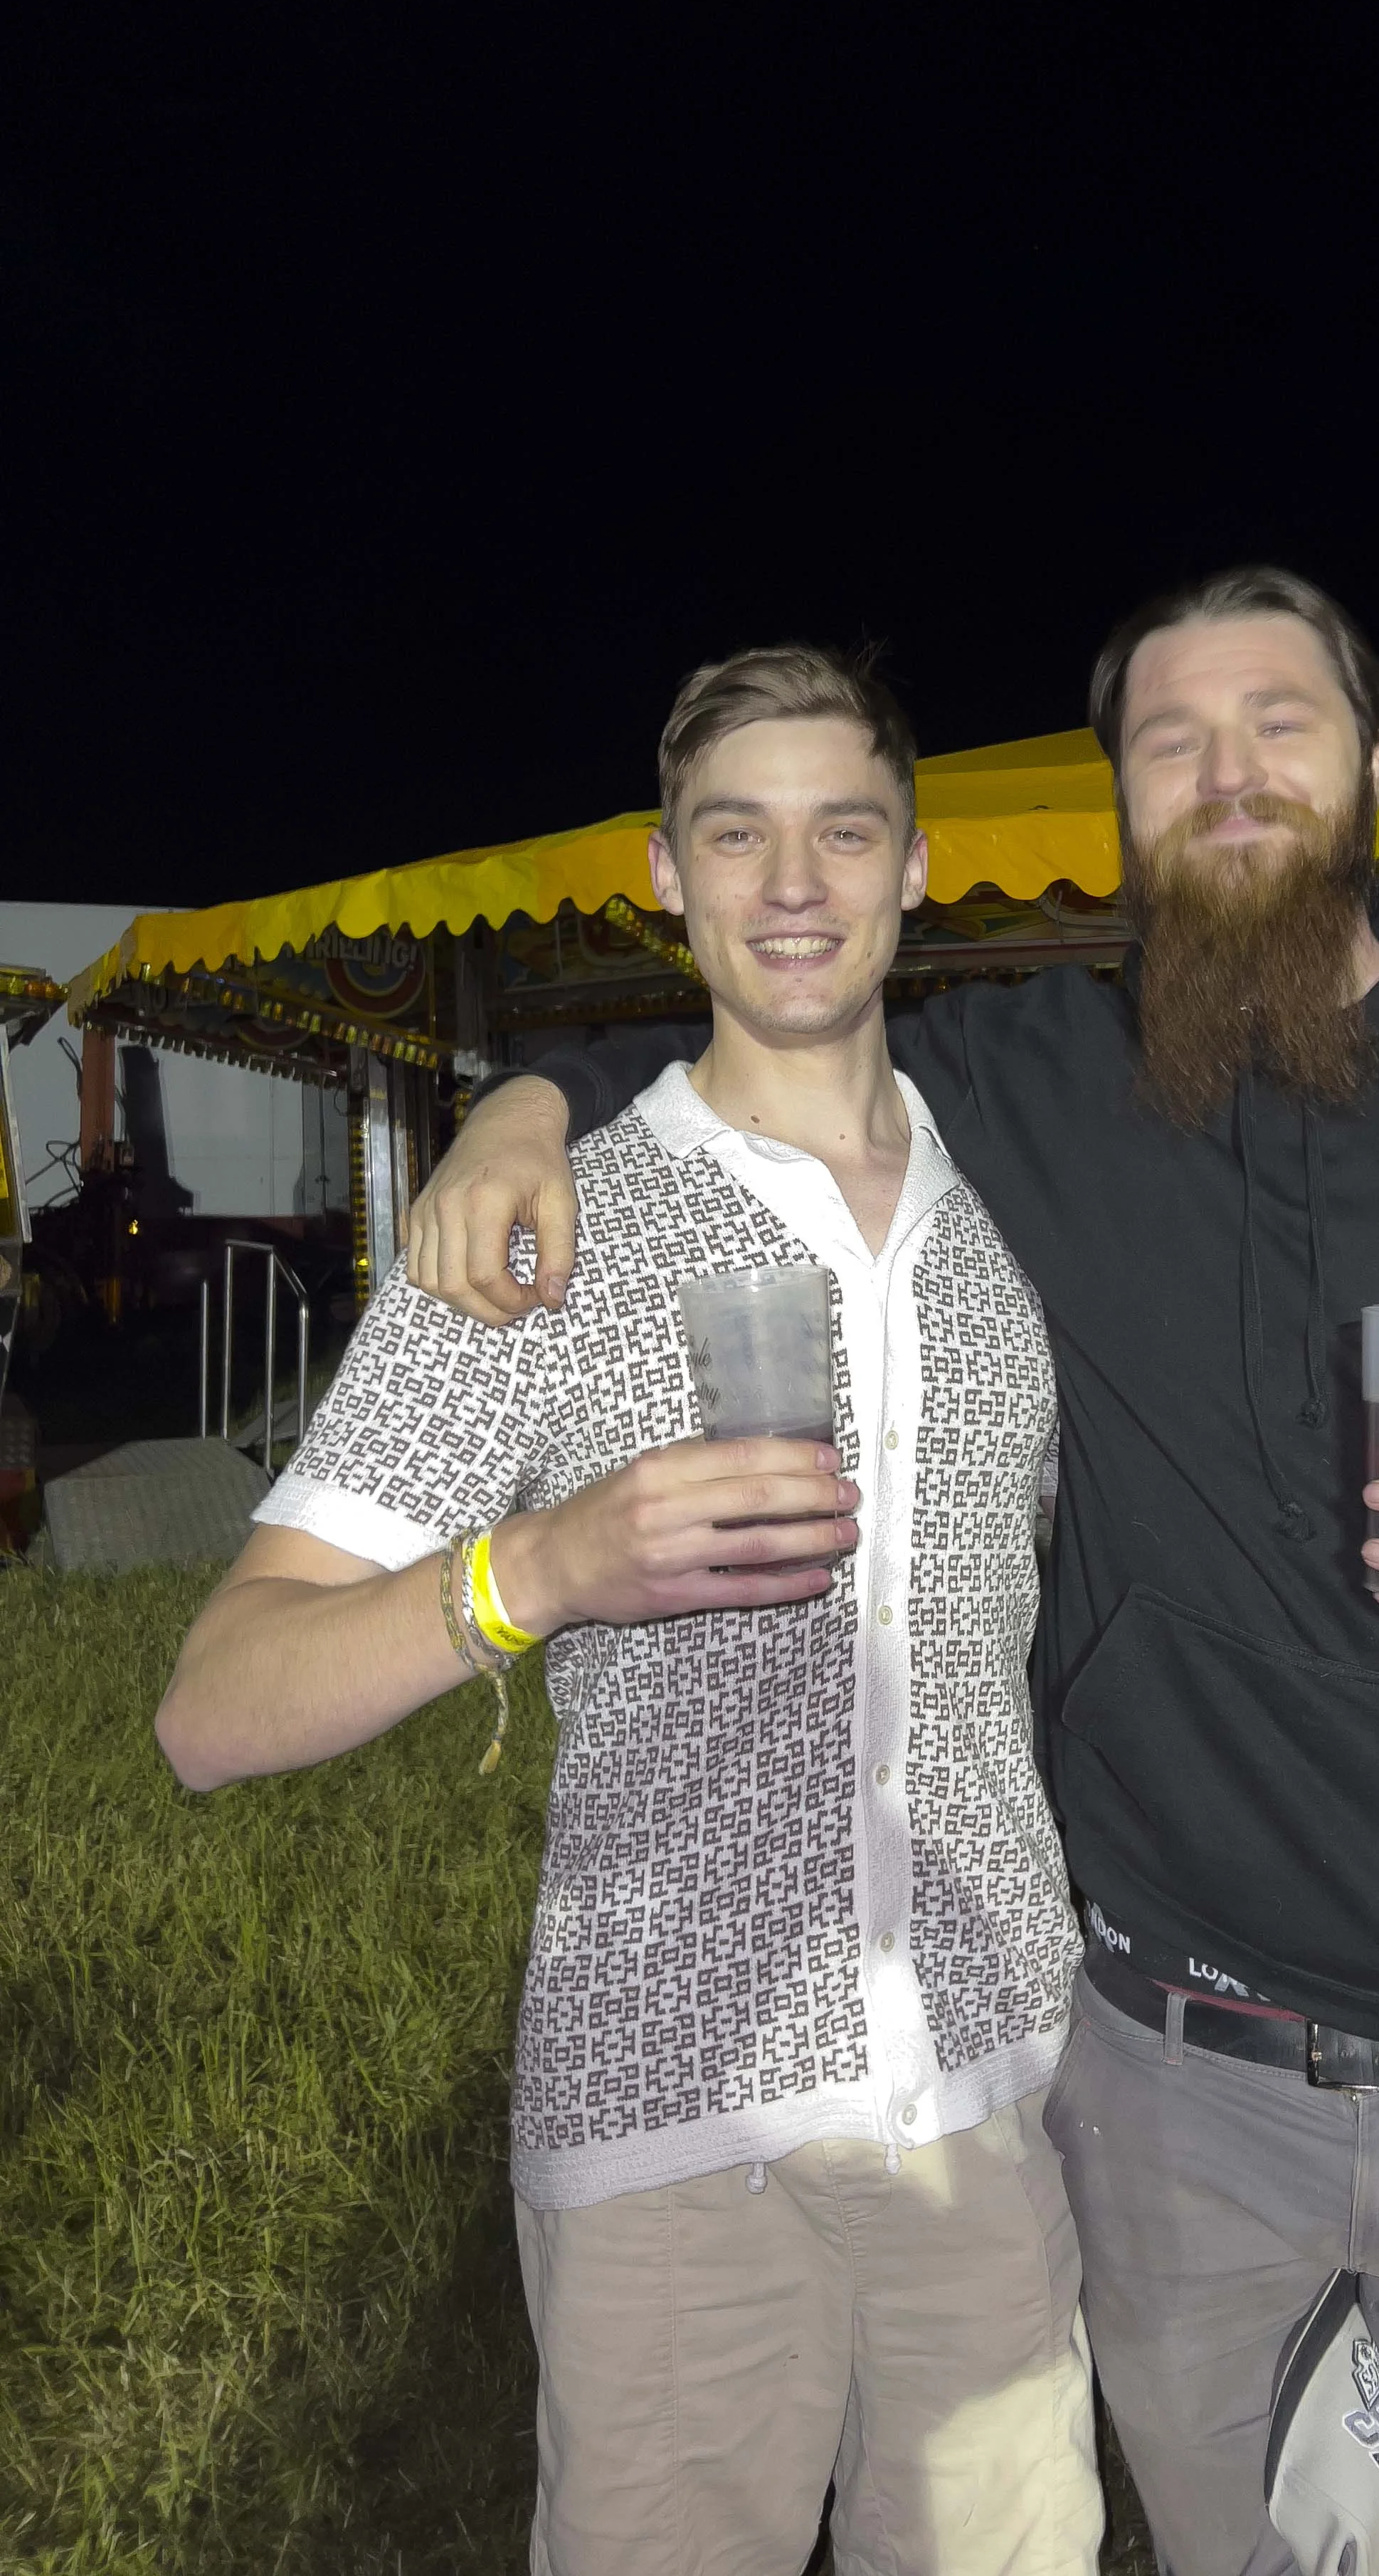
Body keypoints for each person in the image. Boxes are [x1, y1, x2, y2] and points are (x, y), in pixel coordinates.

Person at [408, 569, 1379, 2576]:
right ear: (1120, 803)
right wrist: (518, 1111)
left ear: (1374, 761)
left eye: (1279, 723)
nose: (1227, 771)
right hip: (1178, 2073)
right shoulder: (1037, 1085)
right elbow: (749, 1031)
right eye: (1173, 739)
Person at [157, 648, 1104, 2576]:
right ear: (662, 876)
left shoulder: (1025, 1205)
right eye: (733, 833)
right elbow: (213, 1707)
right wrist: (537, 1575)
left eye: (844, 828)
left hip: (995, 2117)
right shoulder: (543, 1234)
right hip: (677, 2141)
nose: (792, 883)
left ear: (918, 864)